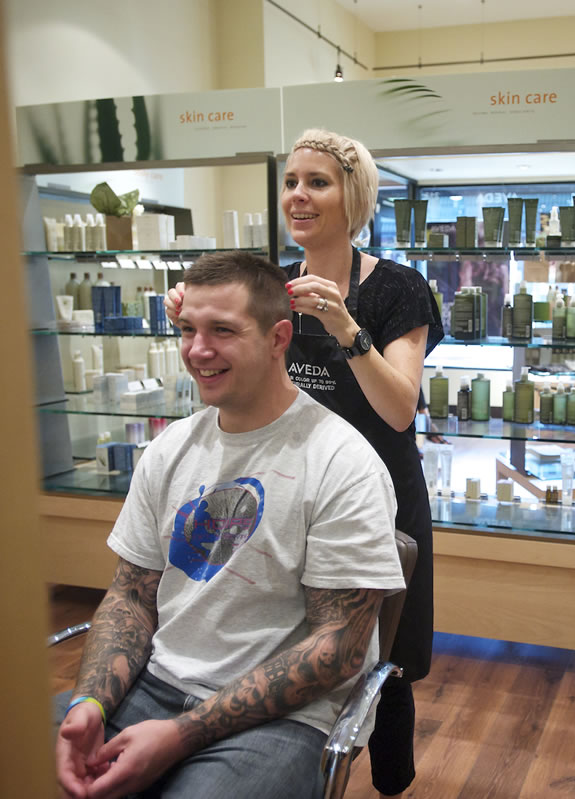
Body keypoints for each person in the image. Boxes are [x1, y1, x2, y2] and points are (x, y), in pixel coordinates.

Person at [56, 251, 406, 799]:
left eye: (222, 330)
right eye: (188, 329)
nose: (198, 351)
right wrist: (90, 703)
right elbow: (130, 595)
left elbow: (336, 648)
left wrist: (179, 735)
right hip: (154, 685)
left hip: (280, 719)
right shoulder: (171, 447)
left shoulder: (342, 461)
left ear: (278, 338)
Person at [168, 129, 443, 798]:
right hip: (291, 490)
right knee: (301, 643)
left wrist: (348, 331)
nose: (298, 195)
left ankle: (391, 783)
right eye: (291, 181)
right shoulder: (271, 286)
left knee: (387, 657)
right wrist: (196, 318)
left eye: (317, 182)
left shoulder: (399, 290)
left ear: (355, 197)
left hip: (381, 495)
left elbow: (400, 408)